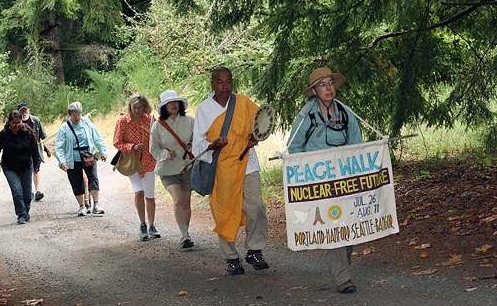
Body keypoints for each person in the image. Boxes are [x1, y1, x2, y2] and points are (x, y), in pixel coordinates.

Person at [287, 67, 363, 294]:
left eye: (331, 83)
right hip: (319, 185)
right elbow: (294, 148)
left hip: (344, 180)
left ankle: (343, 266)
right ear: (314, 91)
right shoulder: (305, 117)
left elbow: (356, 146)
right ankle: (343, 277)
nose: (329, 88)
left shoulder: (346, 113)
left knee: (348, 228)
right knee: (333, 225)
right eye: (323, 85)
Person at [193, 66, 269, 275]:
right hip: (222, 168)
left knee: (256, 207)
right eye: (219, 82)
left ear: (232, 83)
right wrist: (214, 146)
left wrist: (256, 137)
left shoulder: (243, 102)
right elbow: (197, 145)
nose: (224, 86)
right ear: (212, 84)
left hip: (247, 162)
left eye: (228, 82)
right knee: (225, 211)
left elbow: (262, 123)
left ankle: (255, 249)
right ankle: (231, 257)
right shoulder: (204, 109)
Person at [150, 90, 195, 248]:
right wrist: (165, 154)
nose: (173, 105)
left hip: (187, 166)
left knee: (186, 201)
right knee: (178, 199)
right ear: (164, 107)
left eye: (175, 102)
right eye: (169, 103)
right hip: (168, 169)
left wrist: (192, 146)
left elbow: (198, 140)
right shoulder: (158, 125)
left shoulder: (190, 121)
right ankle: (183, 235)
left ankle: (186, 233)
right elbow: (153, 149)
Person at [113, 93, 160, 241]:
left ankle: (152, 225)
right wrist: (132, 146)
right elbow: (117, 142)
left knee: (150, 195)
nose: (137, 111)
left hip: (149, 161)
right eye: (135, 108)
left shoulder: (150, 120)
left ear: (145, 107)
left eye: (140, 108)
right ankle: (142, 224)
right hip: (132, 162)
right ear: (130, 107)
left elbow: (158, 138)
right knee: (139, 192)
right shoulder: (123, 121)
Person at [54, 102, 108, 216]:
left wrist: (103, 151)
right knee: (76, 182)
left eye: (78, 114)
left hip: (88, 155)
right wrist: (62, 161)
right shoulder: (64, 128)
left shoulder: (87, 123)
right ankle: (82, 206)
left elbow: (97, 137)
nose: (77, 117)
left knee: (93, 178)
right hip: (72, 158)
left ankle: (96, 204)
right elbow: (58, 146)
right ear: (70, 115)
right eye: (74, 115)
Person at [0, 110, 42, 224]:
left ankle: (26, 211)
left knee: (27, 194)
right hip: (9, 167)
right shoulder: (3, 134)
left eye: (18, 122)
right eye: (14, 123)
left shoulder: (27, 132)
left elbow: (34, 150)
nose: (16, 125)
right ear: (9, 122)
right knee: (17, 191)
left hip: (26, 166)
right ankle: (21, 215)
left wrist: (36, 164)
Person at [17, 103, 51, 202]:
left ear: (29, 111)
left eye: (25, 111)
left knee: (36, 169)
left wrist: (47, 149)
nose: (24, 113)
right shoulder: (15, 122)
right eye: (22, 111)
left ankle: (37, 191)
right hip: (21, 152)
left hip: (35, 151)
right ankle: (28, 192)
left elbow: (43, 136)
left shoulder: (36, 121)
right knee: (24, 171)